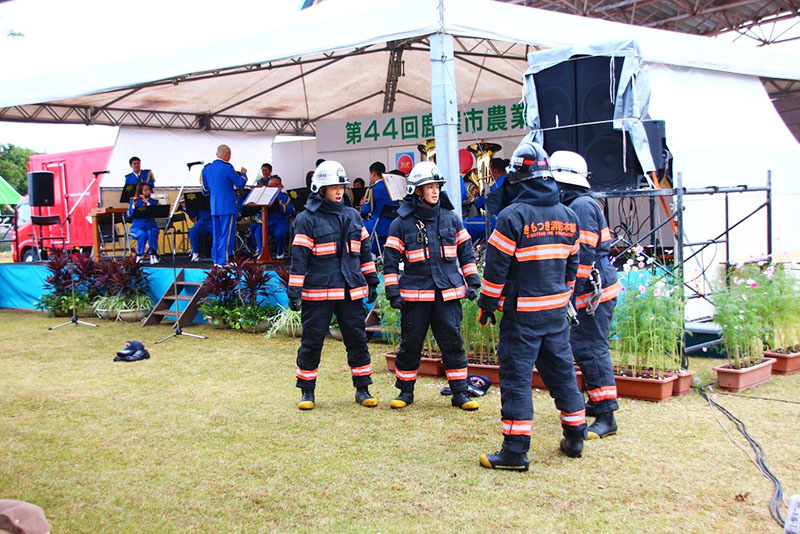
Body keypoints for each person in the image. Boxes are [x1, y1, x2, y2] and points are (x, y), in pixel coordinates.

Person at [477, 138, 586, 471]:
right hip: (555, 314)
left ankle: (515, 452)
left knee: (516, 380)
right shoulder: (568, 216)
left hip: (522, 315)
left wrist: (487, 304)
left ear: (517, 178)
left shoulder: (512, 217)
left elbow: (495, 270)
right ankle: (575, 436)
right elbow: (574, 266)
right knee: (563, 375)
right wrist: (561, 296)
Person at [383, 161, 482, 411]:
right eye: (429, 186)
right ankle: (405, 392)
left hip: (448, 294)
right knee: (411, 344)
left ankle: (460, 393)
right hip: (415, 296)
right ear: (417, 191)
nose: (435, 190)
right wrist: (392, 291)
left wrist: (473, 281)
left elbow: (466, 254)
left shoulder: (451, 219)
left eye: (437, 186)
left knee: (453, 342)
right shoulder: (401, 223)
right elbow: (391, 262)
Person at [288, 161, 380, 410]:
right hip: (318, 292)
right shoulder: (306, 219)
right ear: (320, 189)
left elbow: (364, 252)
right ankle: (307, 392)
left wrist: (371, 280)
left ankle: (363, 389)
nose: (339, 191)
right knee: (312, 341)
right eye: (333, 187)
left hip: (350, 290)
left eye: (341, 186)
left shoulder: (353, 215)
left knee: (357, 340)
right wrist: (294, 291)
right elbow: (300, 258)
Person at [550, 150, 622, 440]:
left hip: (592, 290)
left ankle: (607, 415)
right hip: (592, 287)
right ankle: (597, 401)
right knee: (585, 348)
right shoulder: (580, 203)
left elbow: (585, 255)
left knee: (591, 349)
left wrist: (570, 293)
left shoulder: (580, 206)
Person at [201, 144, 247, 266]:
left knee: (217, 233)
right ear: (227, 155)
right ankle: (224, 259)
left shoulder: (206, 169)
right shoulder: (227, 167)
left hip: (214, 205)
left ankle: (216, 259)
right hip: (227, 205)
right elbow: (240, 184)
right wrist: (243, 174)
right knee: (227, 233)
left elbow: (205, 189)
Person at [249, 175, 294, 259]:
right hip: (267, 223)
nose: (272, 187)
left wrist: (278, 203)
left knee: (279, 234)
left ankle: (280, 253)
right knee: (258, 231)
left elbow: (289, 210)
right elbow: (259, 211)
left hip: (280, 223)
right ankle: (261, 252)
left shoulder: (285, 197)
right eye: (270, 185)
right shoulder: (264, 197)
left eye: (275, 184)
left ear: (281, 186)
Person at [464, 158, 508, 243]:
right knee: (477, 219)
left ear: (494, 171)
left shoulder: (496, 185)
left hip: (495, 221)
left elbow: (479, 203)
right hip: (502, 220)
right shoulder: (508, 181)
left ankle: (471, 250)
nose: (489, 174)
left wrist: (476, 194)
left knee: (465, 223)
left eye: (490, 170)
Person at [126, 182, 160, 264]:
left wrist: (147, 203)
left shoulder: (154, 202)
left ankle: (153, 255)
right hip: (137, 228)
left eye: (148, 190)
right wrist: (133, 205)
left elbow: (156, 212)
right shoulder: (134, 202)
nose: (147, 192)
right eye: (145, 190)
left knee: (152, 232)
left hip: (150, 226)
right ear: (140, 192)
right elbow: (129, 217)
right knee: (142, 234)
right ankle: (139, 255)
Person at [184, 199, 212, 263]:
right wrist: (185, 206)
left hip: (212, 223)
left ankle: (218, 254)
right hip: (201, 223)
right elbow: (193, 214)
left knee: (218, 233)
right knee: (192, 231)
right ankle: (195, 253)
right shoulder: (199, 200)